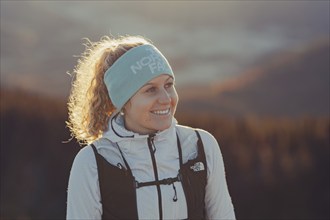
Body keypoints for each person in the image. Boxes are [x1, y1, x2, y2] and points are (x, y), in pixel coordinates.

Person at [66, 35, 236, 220]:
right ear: (123, 101)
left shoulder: (201, 146)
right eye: (150, 90)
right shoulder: (93, 162)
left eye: (168, 85)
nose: (166, 99)